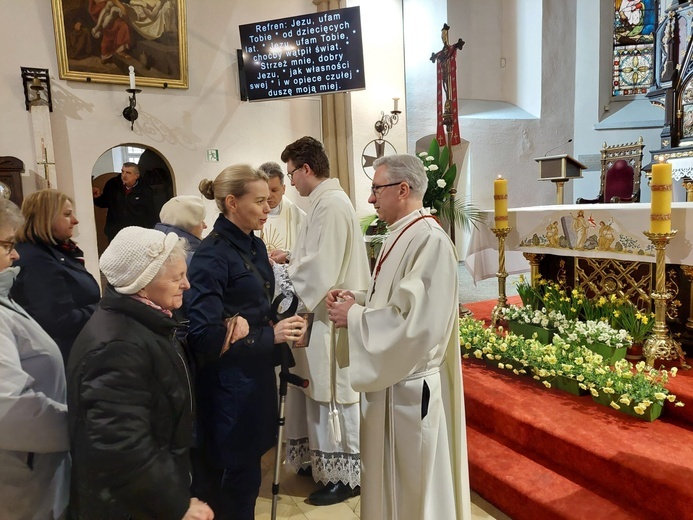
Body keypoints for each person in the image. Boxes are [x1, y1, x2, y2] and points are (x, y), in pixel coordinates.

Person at [327, 154, 471, 519]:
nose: (372, 199)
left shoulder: (430, 241)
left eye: (376, 189)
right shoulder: (402, 233)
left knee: (415, 489)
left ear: (402, 189)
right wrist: (357, 300)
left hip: (409, 390)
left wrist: (355, 317)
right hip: (392, 387)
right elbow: (395, 303)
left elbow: (418, 325)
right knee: (392, 484)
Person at [67, 226, 215, 520]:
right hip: (129, 506)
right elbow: (121, 446)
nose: (187, 284)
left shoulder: (144, 323)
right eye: (176, 278)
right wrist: (176, 503)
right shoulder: (117, 346)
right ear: (142, 285)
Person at [185, 165, 306, 520]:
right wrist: (271, 334)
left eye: (269, 200)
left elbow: (251, 306)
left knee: (247, 478)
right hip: (227, 388)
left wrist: (277, 320)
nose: (268, 207)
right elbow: (203, 334)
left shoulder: (253, 244)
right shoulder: (212, 254)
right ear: (232, 202)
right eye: (259, 201)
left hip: (254, 377)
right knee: (229, 484)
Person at [269, 136, 370, 506]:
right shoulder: (325, 202)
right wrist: (292, 255)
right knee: (316, 390)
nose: (291, 181)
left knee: (332, 393)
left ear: (306, 169)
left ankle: (345, 478)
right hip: (320, 316)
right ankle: (320, 462)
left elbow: (322, 269)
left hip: (330, 318)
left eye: (291, 173)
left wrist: (279, 279)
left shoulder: (330, 205)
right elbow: (318, 256)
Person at [0, 198, 70, 520]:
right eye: (7, 245)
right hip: (20, 475)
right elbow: (10, 409)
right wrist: (84, 425)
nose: (15, 255)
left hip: (36, 464)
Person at [12, 189, 101, 363]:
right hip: (62, 356)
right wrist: (102, 307)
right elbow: (60, 320)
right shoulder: (37, 261)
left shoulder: (56, 252)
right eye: (67, 215)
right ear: (46, 218)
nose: (75, 220)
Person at [93, 162, 158, 242]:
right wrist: (96, 198)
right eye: (122, 171)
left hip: (136, 233)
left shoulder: (145, 191)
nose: (124, 175)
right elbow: (105, 202)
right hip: (115, 232)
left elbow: (151, 213)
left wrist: (152, 232)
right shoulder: (113, 185)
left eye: (128, 173)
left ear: (136, 176)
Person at [257, 161, 306, 253]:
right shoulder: (249, 215)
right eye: (265, 190)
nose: (268, 195)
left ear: (283, 189)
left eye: (274, 190)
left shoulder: (300, 218)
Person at [155, 195, 208, 265]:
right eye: (201, 221)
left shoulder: (151, 252)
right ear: (189, 224)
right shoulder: (198, 261)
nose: (205, 226)